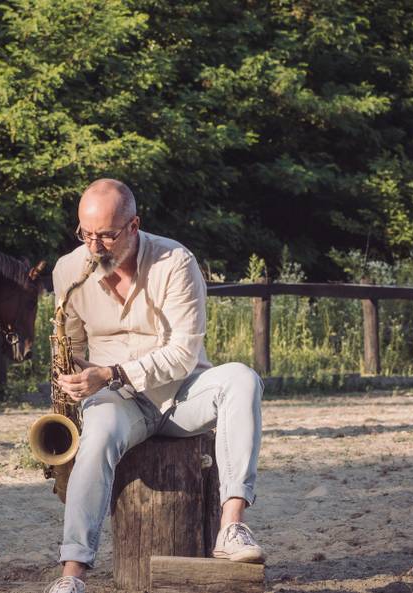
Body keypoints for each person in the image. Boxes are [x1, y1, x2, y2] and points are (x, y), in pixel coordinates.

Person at [44, 179, 264, 593]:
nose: (94, 247)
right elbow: (71, 348)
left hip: (182, 393)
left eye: (106, 236)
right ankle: (72, 574)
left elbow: (182, 354)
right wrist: (72, 378)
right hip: (116, 402)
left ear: (134, 225)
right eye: (85, 235)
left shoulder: (176, 261)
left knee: (242, 378)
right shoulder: (68, 271)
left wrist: (111, 373)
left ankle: (232, 527)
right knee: (97, 434)